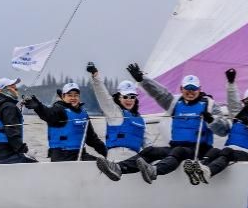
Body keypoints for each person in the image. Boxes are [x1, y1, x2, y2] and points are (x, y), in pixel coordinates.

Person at [96, 64, 229, 183]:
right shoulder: (175, 103)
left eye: (193, 88)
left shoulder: (210, 105)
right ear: (181, 89)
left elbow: (224, 130)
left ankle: (154, 171)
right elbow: (159, 93)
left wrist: (212, 120)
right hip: (177, 148)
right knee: (150, 151)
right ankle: (118, 168)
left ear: (199, 89)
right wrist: (142, 79)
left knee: (178, 151)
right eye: (187, 88)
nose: (190, 92)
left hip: (199, 150)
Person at [183, 68, 248, 184]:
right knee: (214, 151)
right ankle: (198, 168)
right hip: (231, 150)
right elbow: (233, 102)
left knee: (227, 152)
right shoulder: (239, 115)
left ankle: (208, 172)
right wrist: (231, 83)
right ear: (244, 102)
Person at [23, 82, 107, 162]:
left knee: (101, 163)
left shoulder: (83, 114)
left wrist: (107, 153)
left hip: (80, 153)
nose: (73, 98)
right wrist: (38, 107)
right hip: (62, 156)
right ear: (63, 97)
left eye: (76, 95)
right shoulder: (59, 109)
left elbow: (92, 139)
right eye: (69, 95)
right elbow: (48, 114)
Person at [86, 62, 146, 161]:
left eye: (132, 97)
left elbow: (148, 146)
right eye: (125, 97)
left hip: (135, 160)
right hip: (116, 158)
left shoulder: (141, 120)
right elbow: (103, 96)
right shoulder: (114, 113)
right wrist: (95, 76)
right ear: (119, 97)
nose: (129, 100)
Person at [0, 77, 37, 165]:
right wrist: (26, 150)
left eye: (16, 88)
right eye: (13, 88)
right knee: (35, 166)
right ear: (2, 90)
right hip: (5, 155)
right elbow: (12, 132)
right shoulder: (8, 106)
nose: (16, 90)